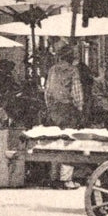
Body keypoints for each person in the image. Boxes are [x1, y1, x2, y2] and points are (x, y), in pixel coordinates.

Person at [43, 45, 85, 188]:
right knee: (69, 143)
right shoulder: (73, 71)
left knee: (55, 142)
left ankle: (53, 177)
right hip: (68, 110)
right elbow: (76, 92)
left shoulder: (52, 70)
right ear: (71, 58)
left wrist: (50, 108)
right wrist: (79, 109)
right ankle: (66, 179)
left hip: (54, 110)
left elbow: (47, 92)